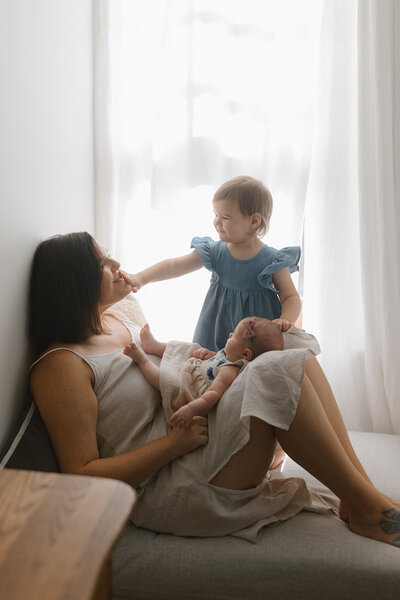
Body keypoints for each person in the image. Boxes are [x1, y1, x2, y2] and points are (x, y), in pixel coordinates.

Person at [29, 232, 400, 546]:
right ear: (73, 283)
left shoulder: (114, 320)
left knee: (293, 348)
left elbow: (171, 366)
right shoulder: (60, 366)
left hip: (199, 440)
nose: (116, 264)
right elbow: (81, 476)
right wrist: (173, 444)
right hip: (173, 480)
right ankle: (370, 509)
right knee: (274, 369)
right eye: (102, 264)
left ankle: (362, 500)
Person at [125, 175, 301, 352]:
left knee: (249, 373)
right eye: (215, 214)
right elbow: (174, 266)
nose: (216, 222)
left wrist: (285, 319)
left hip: (256, 339)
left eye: (225, 217)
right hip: (216, 331)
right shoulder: (215, 252)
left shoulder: (272, 260)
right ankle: (160, 349)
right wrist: (141, 278)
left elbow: (291, 297)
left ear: (253, 221)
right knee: (200, 360)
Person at [123, 316, 287, 428]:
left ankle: (142, 361)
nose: (229, 334)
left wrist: (191, 409)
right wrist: (210, 354)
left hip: (191, 390)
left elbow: (213, 394)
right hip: (197, 369)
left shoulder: (230, 372)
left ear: (245, 355)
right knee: (193, 348)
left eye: (234, 336)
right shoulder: (232, 356)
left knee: (168, 381)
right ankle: (154, 345)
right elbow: (220, 359)